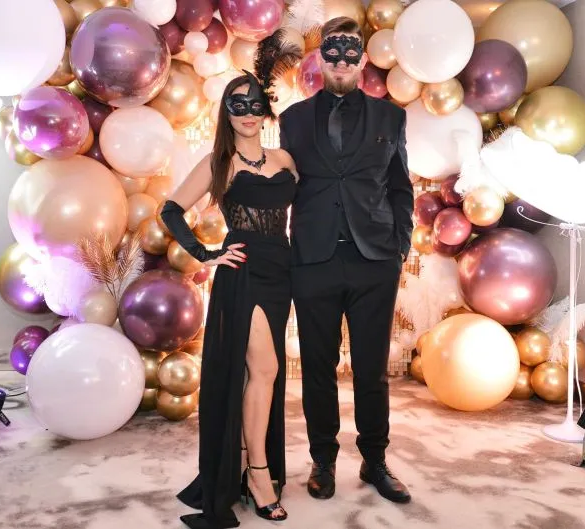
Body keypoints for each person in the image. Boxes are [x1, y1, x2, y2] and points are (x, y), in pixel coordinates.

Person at [160, 31, 302, 529]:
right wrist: (208, 254)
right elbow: (171, 210)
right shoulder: (218, 163)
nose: (247, 112)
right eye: (237, 105)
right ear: (226, 113)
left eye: (254, 103)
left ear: (266, 110)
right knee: (264, 369)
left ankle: (245, 465)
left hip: (282, 274)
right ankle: (258, 475)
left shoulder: (285, 160)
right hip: (242, 274)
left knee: (260, 374)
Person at [278, 17, 414, 504]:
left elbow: (400, 187)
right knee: (318, 366)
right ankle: (323, 460)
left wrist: (400, 247)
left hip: (374, 260)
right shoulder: (292, 119)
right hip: (312, 260)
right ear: (320, 59)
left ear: (361, 60)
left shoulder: (390, 118)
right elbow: (284, 185)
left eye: (349, 54)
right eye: (332, 54)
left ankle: (375, 460)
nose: (340, 63)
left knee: (372, 368)